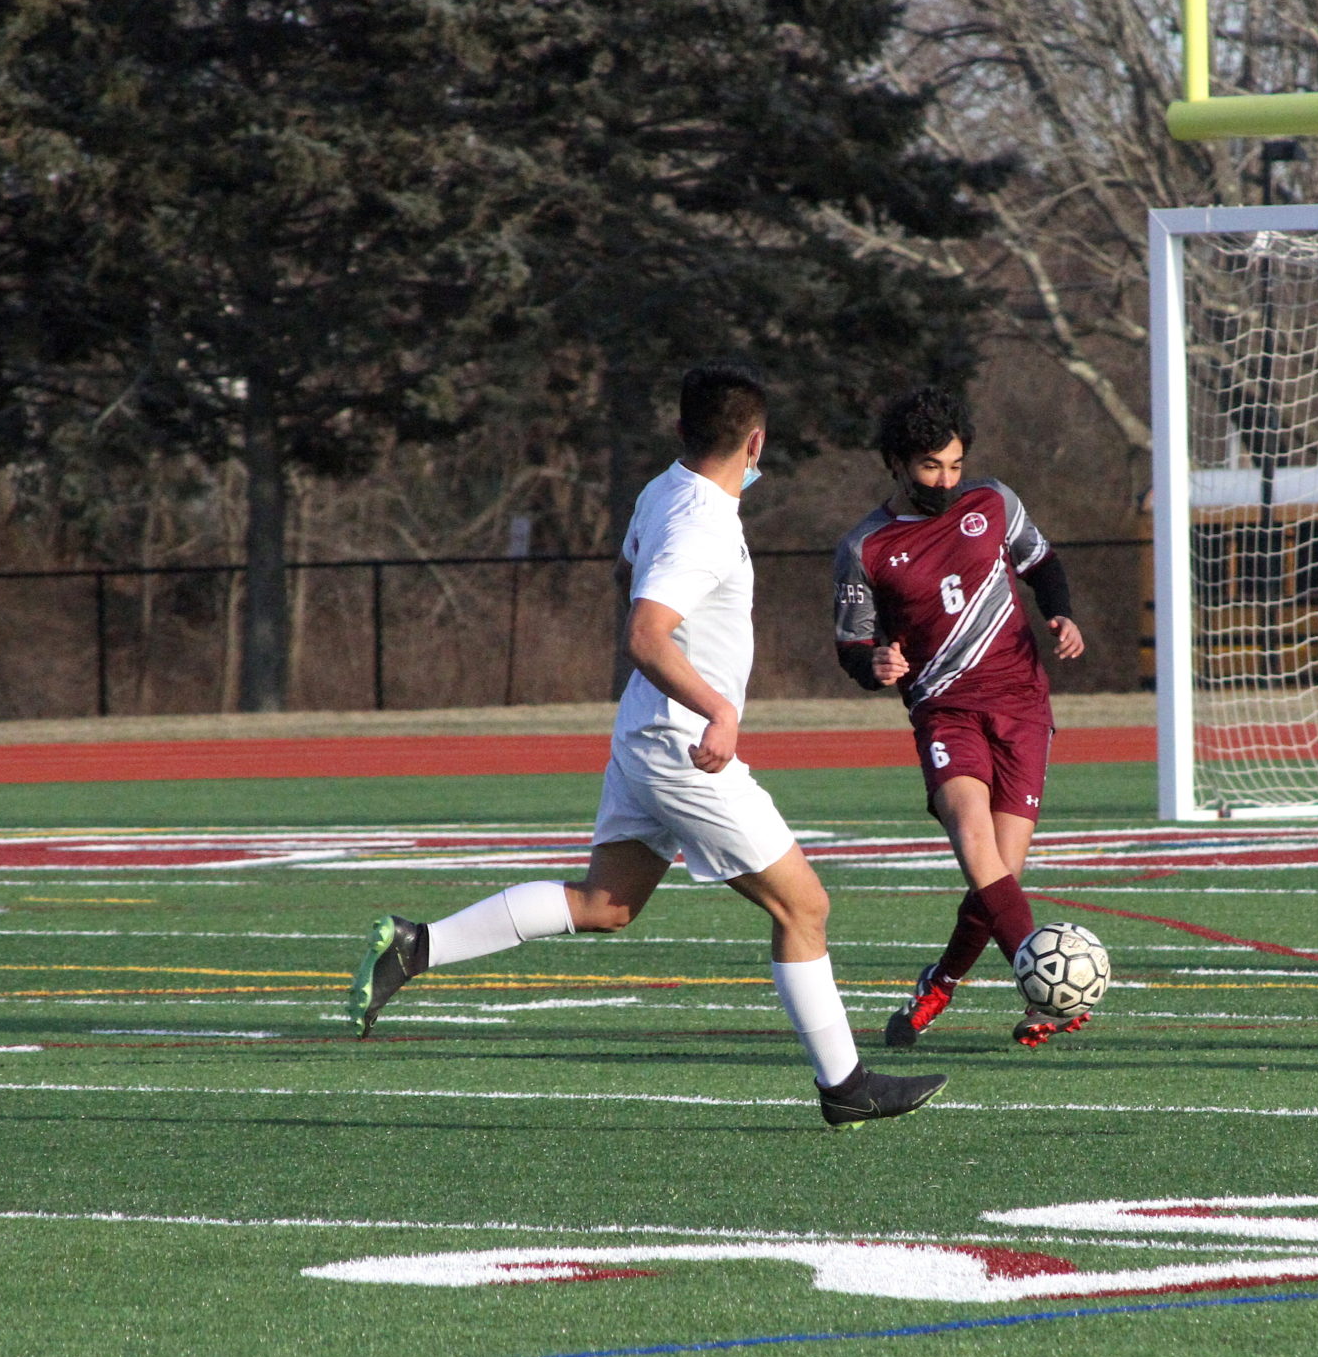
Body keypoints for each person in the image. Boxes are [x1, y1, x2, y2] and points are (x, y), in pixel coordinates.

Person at [349, 365, 946, 1128]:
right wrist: (717, 708)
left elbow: (631, 572)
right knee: (805, 905)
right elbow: (644, 630)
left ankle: (416, 945)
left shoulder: (663, 488)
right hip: (683, 741)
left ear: (681, 433)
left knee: (605, 904)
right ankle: (845, 1084)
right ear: (756, 441)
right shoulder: (703, 521)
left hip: (647, 729)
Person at [833, 386, 1086, 1049]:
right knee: (977, 846)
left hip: (1024, 705)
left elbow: (1043, 563)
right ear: (895, 462)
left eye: (953, 464)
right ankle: (1046, 991)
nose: (946, 480)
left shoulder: (994, 502)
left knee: (999, 875)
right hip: (945, 711)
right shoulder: (866, 547)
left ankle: (940, 982)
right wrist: (875, 663)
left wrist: (1060, 612)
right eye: (928, 467)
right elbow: (853, 644)